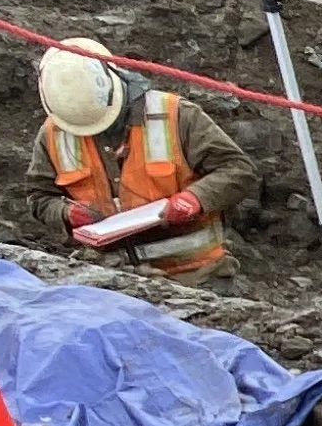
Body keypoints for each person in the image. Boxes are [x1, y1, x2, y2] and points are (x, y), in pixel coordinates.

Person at [23, 37, 256, 285]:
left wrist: (195, 198)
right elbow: (39, 197)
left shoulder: (176, 116)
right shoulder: (54, 133)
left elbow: (239, 170)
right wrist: (67, 212)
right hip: (109, 275)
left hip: (194, 275)